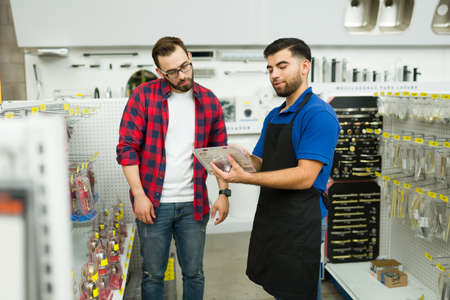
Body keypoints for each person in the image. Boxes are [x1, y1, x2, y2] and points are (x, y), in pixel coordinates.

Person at [210, 38, 340, 300]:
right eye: (270, 69)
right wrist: (237, 159)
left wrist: (245, 178)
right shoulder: (274, 115)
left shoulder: (319, 114)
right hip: (275, 215)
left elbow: (305, 176)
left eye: (282, 66)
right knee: (280, 287)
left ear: (305, 66)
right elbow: (260, 161)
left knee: (299, 290)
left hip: (303, 218)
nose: (274, 74)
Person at [116, 36, 230, 300]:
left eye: (185, 66)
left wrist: (224, 194)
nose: (182, 75)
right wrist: (139, 195)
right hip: (154, 205)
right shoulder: (143, 97)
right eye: (172, 71)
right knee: (153, 275)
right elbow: (126, 148)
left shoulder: (209, 101)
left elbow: (219, 154)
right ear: (159, 72)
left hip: (194, 204)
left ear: (189, 56)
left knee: (194, 273)